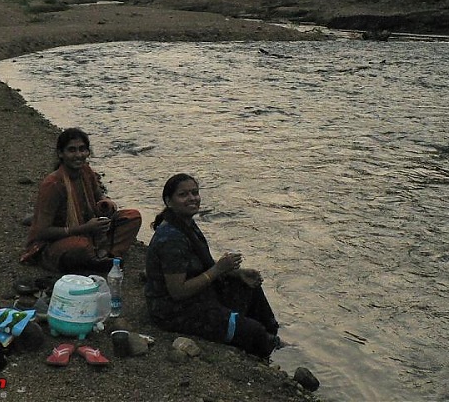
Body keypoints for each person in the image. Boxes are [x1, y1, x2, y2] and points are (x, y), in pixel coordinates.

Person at [145, 173, 280, 358]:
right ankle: (264, 347)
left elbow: (197, 267)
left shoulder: (186, 224)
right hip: (173, 312)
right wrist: (219, 269)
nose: (192, 198)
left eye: (195, 193)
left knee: (250, 287)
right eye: (183, 195)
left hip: (195, 298)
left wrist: (236, 273)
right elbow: (177, 291)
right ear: (169, 201)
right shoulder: (171, 238)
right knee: (253, 332)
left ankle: (273, 338)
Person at [21, 128, 142, 273]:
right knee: (80, 246)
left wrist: (105, 203)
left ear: (88, 152)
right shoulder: (53, 185)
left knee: (132, 216)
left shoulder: (85, 171)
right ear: (61, 154)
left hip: (89, 230)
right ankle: (94, 258)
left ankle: (109, 256)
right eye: (72, 150)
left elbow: (98, 196)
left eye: (82, 149)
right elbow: (42, 232)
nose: (78, 155)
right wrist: (84, 229)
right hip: (55, 242)